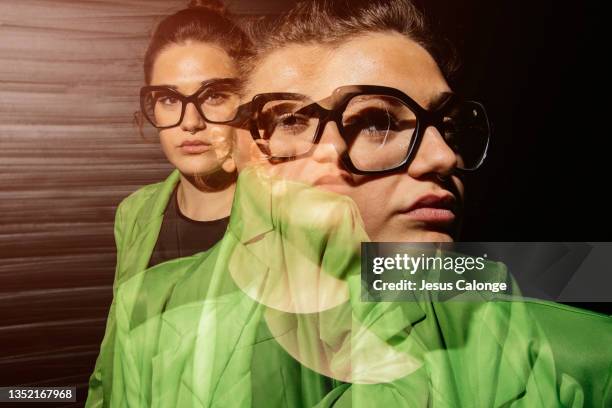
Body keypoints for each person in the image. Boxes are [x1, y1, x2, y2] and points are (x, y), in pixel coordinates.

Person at [85, 1, 251, 405]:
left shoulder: (295, 210)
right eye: (168, 99)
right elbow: (116, 353)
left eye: (214, 96)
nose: (189, 122)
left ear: (249, 101)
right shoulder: (136, 212)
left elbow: (421, 287)